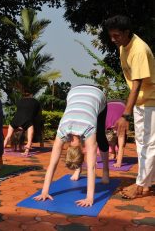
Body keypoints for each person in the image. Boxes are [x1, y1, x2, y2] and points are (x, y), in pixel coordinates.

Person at [105, 15, 155, 199]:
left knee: (149, 145)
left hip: (151, 101)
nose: (113, 39)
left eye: (116, 35)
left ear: (127, 33)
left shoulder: (139, 50)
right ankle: (146, 185)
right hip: (141, 102)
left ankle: (141, 185)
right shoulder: (123, 47)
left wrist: (125, 115)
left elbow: (137, 84)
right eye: (111, 35)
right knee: (142, 144)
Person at [34, 85, 109, 207]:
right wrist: (44, 192)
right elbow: (52, 164)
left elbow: (91, 167)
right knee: (95, 139)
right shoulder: (62, 131)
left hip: (97, 94)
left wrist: (89, 198)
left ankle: (106, 172)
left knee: (100, 135)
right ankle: (77, 171)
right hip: (74, 92)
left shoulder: (88, 131)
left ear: (83, 152)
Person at [105, 100, 126, 167]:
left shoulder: (121, 125)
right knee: (110, 139)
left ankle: (115, 154)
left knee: (120, 142)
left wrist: (118, 162)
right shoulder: (102, 124)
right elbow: (95, 142)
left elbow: (121, 146)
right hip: (108, 104)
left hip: (122, 105)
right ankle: (113, 153)